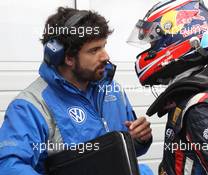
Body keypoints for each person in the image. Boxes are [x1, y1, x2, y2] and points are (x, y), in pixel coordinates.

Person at [0, 7, 153, 175]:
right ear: (68, 58)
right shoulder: (31, 106)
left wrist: (139, 139)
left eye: (104, 46)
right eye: (94, 50)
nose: (105, 56)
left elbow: (126, 152)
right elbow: (9, 166)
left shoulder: (112, 90)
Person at [127, 0, 208, 174]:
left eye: (153, 43)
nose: (150, 50)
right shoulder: (189, 95)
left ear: (179, 39)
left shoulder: (199, 108)